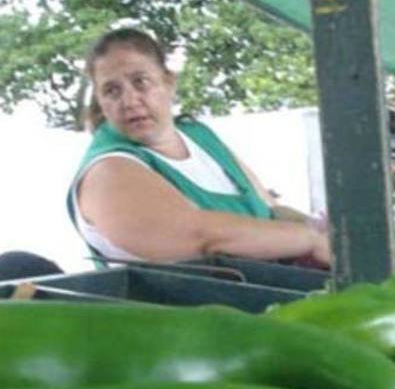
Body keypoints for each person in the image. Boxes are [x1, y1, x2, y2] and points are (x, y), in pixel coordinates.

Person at [67, 28, 330, 267]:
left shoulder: (200, 137)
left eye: (141, 82)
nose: (129, 100)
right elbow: (200, 235)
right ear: (100, 101)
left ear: (168, 82)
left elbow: (270, 210)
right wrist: (311, 239)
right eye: (112, 91)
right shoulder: (108, 170)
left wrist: (327, 230)